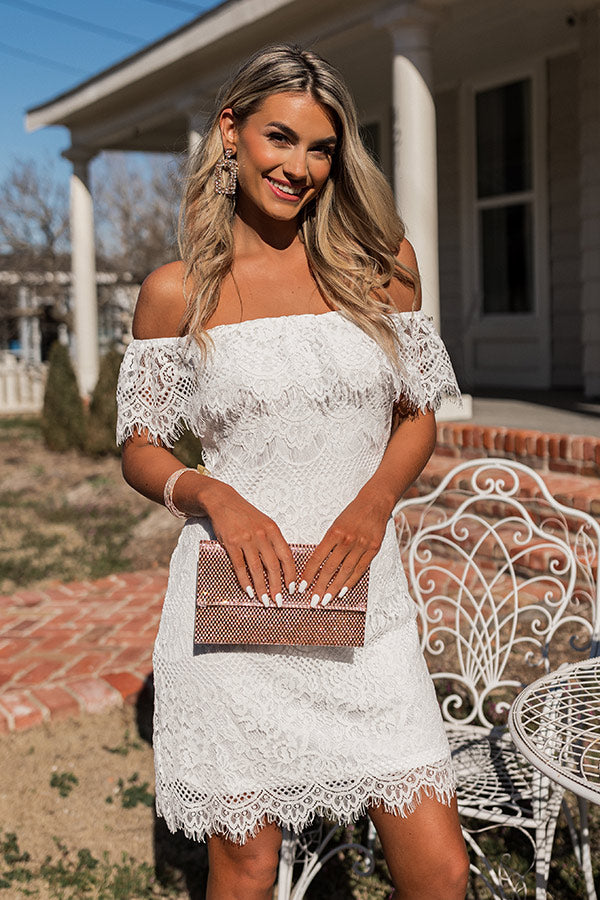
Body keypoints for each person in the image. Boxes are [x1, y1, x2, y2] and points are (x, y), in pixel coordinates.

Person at [116, 43, 469, 900]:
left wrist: (375, 504)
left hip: (364, 592)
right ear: (230, 132)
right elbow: (140, 445)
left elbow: (417, 413)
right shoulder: (177, 292)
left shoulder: (382, 266)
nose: (301, 167)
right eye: (282, 139)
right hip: (236, 599)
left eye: (321, 149)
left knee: (439, 865)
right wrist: (210, 492)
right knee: (246, 865)